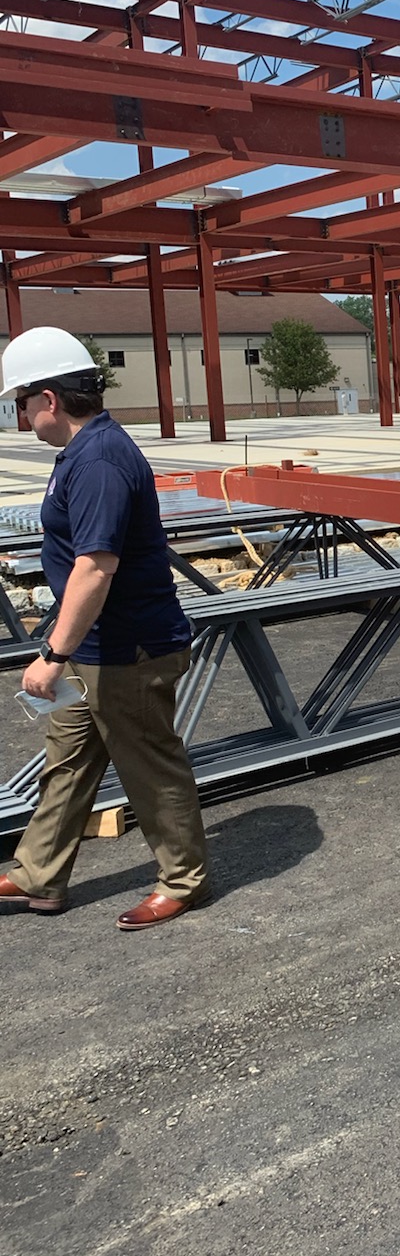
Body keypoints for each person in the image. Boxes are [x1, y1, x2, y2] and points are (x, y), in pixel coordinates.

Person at [0, 327, 210, 928]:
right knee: (67, 760)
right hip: (93, 645)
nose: (21, 417)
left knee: (149, 764)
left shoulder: (98, 461)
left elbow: (96, 567)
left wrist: (52, 654)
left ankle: (184, 879)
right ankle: (38, 875)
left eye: (22, 402)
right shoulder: (81, 453)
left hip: (128, 648)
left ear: (49, 398)